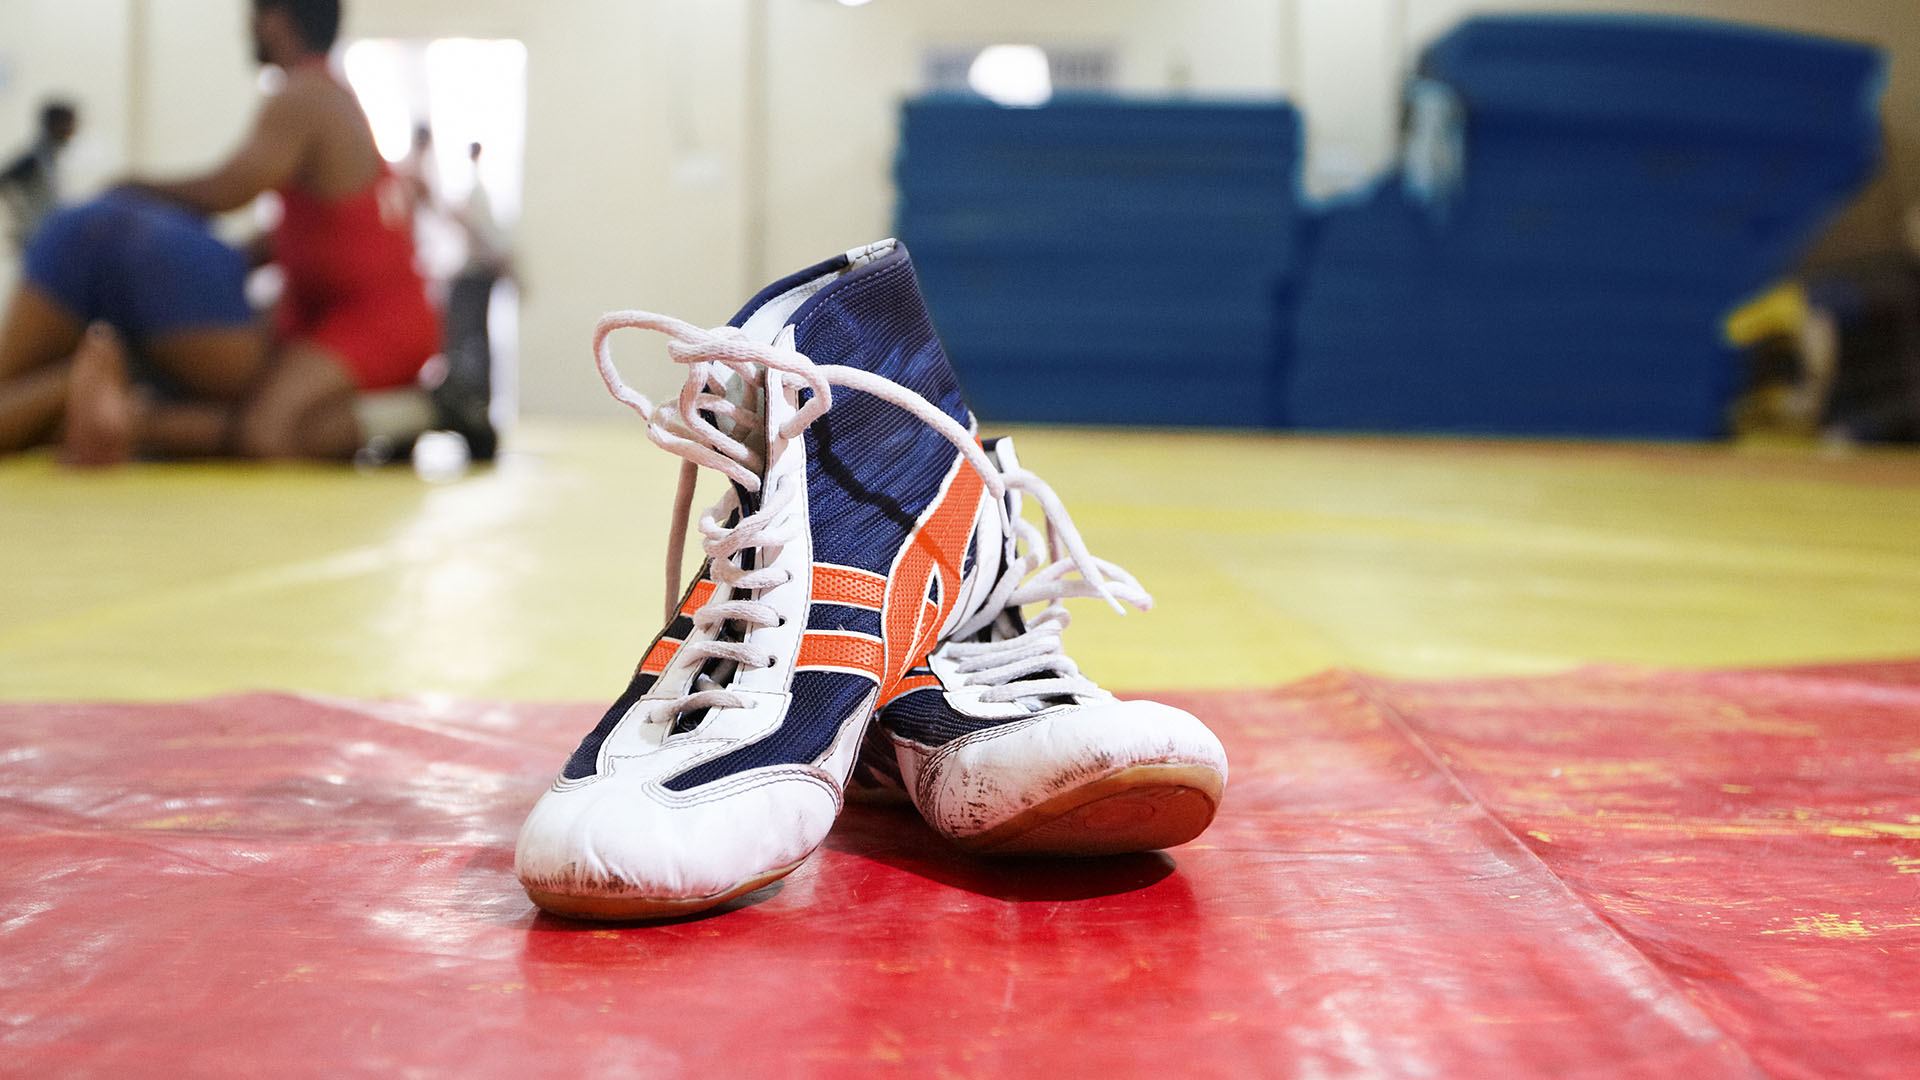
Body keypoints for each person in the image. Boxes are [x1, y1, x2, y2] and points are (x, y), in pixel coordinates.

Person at [113, 0, 440, 461]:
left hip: (375, 318)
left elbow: (229, 189)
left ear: (276, 21)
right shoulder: (322, 91)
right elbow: (309, 228)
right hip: (325, 311)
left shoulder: (304, 95)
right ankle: (134, 423)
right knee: (239, 399)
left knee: (267, 434)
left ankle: (416, 414)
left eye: (252, 17)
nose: (247, 28)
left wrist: (131, 188)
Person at [0, 191, 264, 465]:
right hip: (186, 262)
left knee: (13, 402)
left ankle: (80, 377)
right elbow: (263, 432)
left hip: (83, 225)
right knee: (268, 423)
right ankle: (107, 388)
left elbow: (229, 192)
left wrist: (130, 186)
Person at [1, 100, 79, 251]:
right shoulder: (34, 159)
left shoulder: (52, 156)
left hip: (49, 233)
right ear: (53, 125)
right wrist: (21, 218)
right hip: (37, 235)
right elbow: (5, 182)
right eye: (67, 124)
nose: (71, 130)